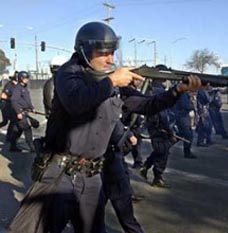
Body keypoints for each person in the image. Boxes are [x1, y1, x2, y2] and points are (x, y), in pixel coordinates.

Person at [7, 21, 200, 233]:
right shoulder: (68, 74)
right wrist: (112, 82)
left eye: (112, 53)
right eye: (103, 53)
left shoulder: (111, 80)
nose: (110, 59)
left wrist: (177, 90)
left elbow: (146, 104)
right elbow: (76, 101)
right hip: (59, 176)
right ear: (85, 50)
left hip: (92, 178)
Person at [139, 80, 176, 188]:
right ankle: (157, 178)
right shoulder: (159, 91)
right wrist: (170, 132)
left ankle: (146, 167)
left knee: (160, 150)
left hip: (152, 125)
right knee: (163, 153)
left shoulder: (149, 91)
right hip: (160, 128)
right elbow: (163, 115)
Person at [9, 71, 35, 152]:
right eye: (25, 78)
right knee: (27, 129)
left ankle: (12, 146)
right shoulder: (18, 88)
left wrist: (31, 107)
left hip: (24, 111)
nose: (27, 80)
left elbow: (27, 100)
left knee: (18, 130)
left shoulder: (24, 88)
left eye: (27, 78)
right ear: (21, 79)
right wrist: (18, 112)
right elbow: (13, 100)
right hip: (20, 112)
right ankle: (32, 147)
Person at [0, 71, 18, 141]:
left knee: (7, 121)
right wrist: (12, 99)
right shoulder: (9, 85)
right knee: (10, 120)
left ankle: (9, 136)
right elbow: (3, 96)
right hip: (4, 104)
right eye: (16, 76)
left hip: (9, 104)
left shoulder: (16, 85)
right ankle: (9, 137)